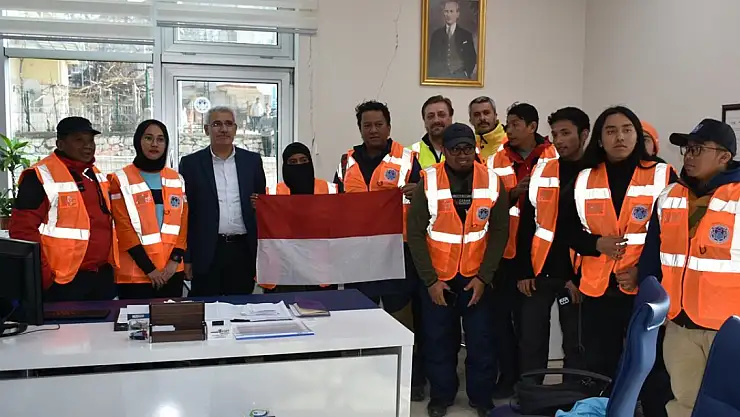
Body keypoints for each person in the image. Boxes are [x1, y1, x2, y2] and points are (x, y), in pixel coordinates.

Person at [561, 105, 675, 383]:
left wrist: (643, 272)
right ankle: (604, 404)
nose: (620, 137)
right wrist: (596, 243)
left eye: (627, 130)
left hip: (646, 288)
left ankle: (647, 406)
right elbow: (565, 229)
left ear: (637, 136)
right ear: (600, 140)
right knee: (600, 365)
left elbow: (674, 237)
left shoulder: (663, 175)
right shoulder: (583, 178)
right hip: (599, 290)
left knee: (650, 364)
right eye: (611, 131)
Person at [639, 118, 740, 417]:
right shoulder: (669, 196)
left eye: (698, 149)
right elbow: (651, 259)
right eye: (687, 149)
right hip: (680, 324)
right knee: (685, 403)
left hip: (729, 328)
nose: (689, 156)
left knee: (730, 404)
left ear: (724, 156)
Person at [407, 123, 509, 417]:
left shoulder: (492, 181)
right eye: (455, 149)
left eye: (467, 148)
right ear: (445, 150)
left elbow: (499, 232)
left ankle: (481, 398)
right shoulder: (428, 181)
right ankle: (441, 397)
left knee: (481, 341)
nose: (462, 154)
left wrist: (484, 277)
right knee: (438, 341)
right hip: (438, 280)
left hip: (476, 279)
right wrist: (430, 281)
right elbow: (415, 234)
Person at [334, 100, 425, 397]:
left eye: (378, 124)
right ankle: (362, 379)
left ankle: (410, 380)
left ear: (388, 126)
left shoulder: (408, 160)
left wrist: (419, 192)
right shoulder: (346, 161)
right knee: (360, 319)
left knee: (402, 319)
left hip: (397, 253)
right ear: (360, 129)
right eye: (367, 125)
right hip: (358, 255)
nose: (373, 130)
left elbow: (428, 202)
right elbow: (334, 203)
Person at [487, 102, 558, 397]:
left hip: (539, 257)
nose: (509, 129)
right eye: (508, 124)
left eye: (516, 124)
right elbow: (485, 203)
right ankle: (508, 376)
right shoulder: (495, 159)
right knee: (502, 324)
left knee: (533, 329)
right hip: (503, 256)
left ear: (532, 126)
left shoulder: (554, 156)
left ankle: (532, 387)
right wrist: (513, 193)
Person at [9, 117, 117, 301]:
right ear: (60, 144)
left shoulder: (95, 175)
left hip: (100, 278)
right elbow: (22, 231)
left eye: (90, 140)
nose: (88, 146)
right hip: (62, 282)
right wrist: (44, 276)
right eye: (79, 140)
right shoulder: (39, 177)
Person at [518, 107, 590, 380]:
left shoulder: (596, 173)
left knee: (575, 342)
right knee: (531, 340)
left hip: (576, 276)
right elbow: (527, 222)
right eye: (555, 134)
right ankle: (531, 395)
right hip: (540, 271)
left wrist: (579, 279)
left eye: (566, 133)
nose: (559, 140)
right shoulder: (543, 170)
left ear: (584, 134)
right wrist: (524, 270)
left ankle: (573, 397)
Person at [179, 106, 266, 296]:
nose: (223, 129)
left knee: (241, 307)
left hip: (242, 251)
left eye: (228, 124)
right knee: (206, 307)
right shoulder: (191, 164)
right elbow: (186, 215)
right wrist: (187, 257)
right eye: (217, 124)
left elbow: (260, 204)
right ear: (206, 129)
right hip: (206, 251)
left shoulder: (252, 161)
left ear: (235, 129)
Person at [108, 120, 188, 299]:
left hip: (171, 272)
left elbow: (182, 225)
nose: (154, 144)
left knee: (171, 317)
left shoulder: (176, 179)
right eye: (148, 138)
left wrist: (175, 261)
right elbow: (123, 229)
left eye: (160, 139)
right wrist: (150, 269)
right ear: (138, 141)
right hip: (135, 275)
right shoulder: (120, 179)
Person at [261, 142, 337, 293]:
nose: (299, 165)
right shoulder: (272, 194)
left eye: (303, 160)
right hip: (284, 274)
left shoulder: (330, 190)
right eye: (293, 162)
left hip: (319, 273)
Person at [428, 0, 477, 79]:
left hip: (460, 76)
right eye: (446, 11)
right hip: (440, 76)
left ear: (457, 14)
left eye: (451, 11)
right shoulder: (436, 35)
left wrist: (466, 73)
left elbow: (472, 58)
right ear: (443, 13)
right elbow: (431, 58)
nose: (448, 15)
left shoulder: (466, 35)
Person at [409, 95, 454, 168]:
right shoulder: (410, 154)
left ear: (450, 117)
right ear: (424, 121)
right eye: (430, 116)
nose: (436, 120)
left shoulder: (466, 152)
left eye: (441, 115)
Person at [468, 96, 507, 160]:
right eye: (477, 114)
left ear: (495, 116)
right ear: (470, 120)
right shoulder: (468, 149)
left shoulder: (512, 142)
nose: (482, 118)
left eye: (486, 113)